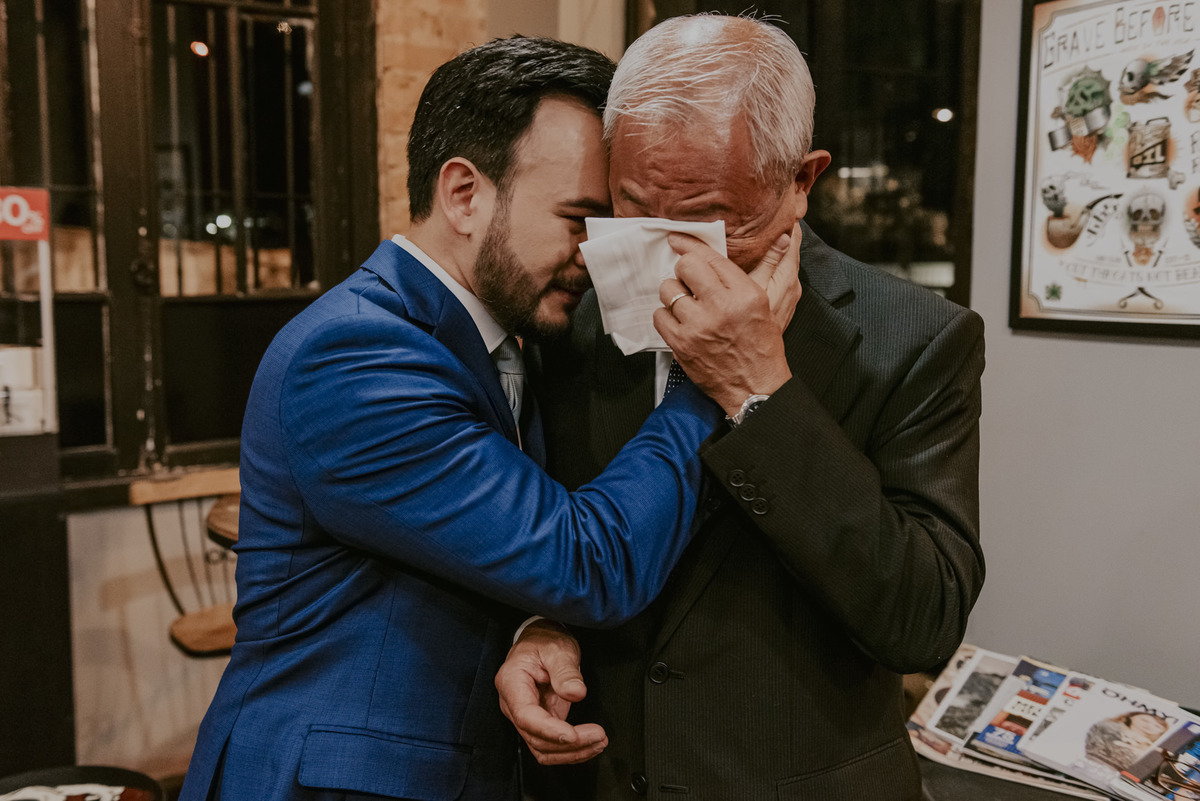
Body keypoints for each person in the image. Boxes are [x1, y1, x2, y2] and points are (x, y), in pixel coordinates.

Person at [179, 36, 797, 801]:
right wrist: (709, 374)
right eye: (578, 218)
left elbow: (479, 550)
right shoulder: (355, 355)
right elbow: (585, 562)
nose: (596, 257)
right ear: (464, 193)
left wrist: (527, 628)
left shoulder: (509, 336)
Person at [495, 14, 987, 800]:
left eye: (710, 218)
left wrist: (762, 392)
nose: (669, 250)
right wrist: (533, 630)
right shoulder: (569, 318)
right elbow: (535, 530)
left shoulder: (916, 339)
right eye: (635, 206)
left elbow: (921, 619)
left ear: (802, 180)